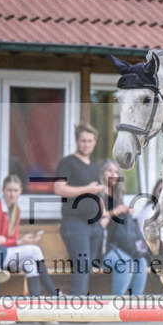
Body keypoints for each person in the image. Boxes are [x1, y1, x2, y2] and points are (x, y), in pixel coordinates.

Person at [0, 174, 58, 297]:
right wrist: (19, 242)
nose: (12, 194)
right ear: (3, 190)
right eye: (9, 190)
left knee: (30, 262)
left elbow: (10, 241)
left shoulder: (16, 210)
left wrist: (24, 241)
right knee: (35, 250)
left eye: (15, 190)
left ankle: (35, 300)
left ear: (20, 191)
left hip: (4, 255)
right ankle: (53, 292)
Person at [54, 123, 107, 295]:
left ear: (95, 142)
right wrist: (87, 189)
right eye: (83, 141)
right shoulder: (67, 162)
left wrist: (103, 214)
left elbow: (96, 193)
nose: (86, 144)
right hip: (74, 223)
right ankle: (78, 306)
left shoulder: (93, 165)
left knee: (87, 268)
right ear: (77, 141)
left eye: (90, 141)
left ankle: (80, 302)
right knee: (82, 266)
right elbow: (59, 189)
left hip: (94, 225)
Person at [100, 159, 148, 296]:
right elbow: (100, 224)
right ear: (102, 173)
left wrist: (126, 213)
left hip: (122, 247)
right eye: (109, 170)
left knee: (141, 262)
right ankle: (117, 303)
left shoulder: (117, 197)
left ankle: (136, 304)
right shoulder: (98, 195)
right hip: (105, 249)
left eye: (116, 172)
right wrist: (117, 211)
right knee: (126, 263)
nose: (113, 174)